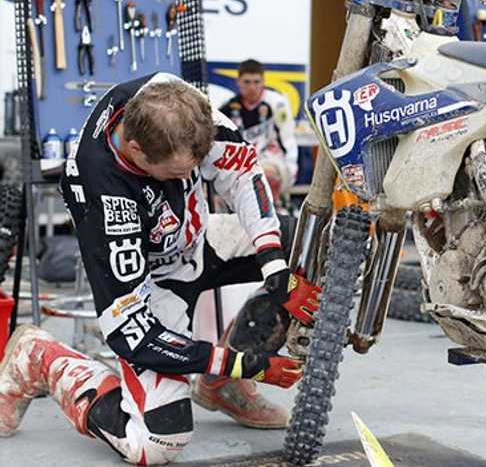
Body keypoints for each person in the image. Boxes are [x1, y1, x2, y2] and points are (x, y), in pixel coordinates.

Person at [0, 73, 321, 464]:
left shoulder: (176, 101)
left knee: (314, 243)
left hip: (199, 239)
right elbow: (132, 333)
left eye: (194, 168)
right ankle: (41, 357)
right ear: (135, 150)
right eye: (176, 173)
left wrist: (274, 265)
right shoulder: (102, 194)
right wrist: (246, 364)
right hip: (154, 285)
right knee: (157, 443)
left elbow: (241, 172)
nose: (189, 177)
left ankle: (221, 386)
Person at [220, 59, 298, 206]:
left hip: (271, 159)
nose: (252, 87)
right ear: (238, 82)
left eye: (256, 82)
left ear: (263, 82)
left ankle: (271, 213)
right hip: (241, 161)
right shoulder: (229, 107)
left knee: (266, 177)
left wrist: (291, 166)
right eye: (247, 82)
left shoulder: (277, 103)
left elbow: (287, 137)